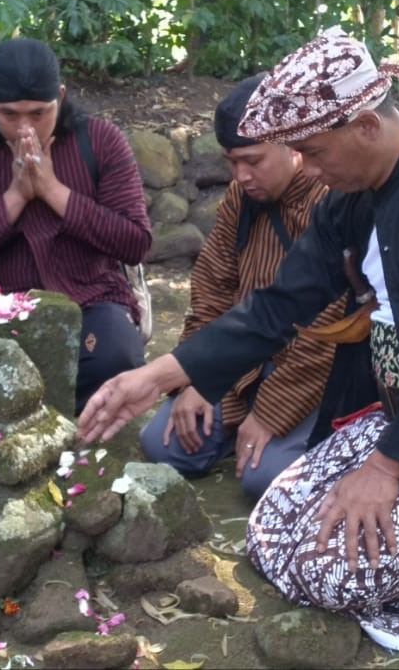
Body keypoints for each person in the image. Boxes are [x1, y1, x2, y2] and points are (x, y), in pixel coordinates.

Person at [77, 27, 399, 654]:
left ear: (366, 124)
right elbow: (276, 308)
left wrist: (385, 468)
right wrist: (158, 376)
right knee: (268, 532)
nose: (308, 170)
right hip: (397, 413)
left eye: (313, 152)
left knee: (328, 574)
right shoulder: (353, 198)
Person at [138, 73, 344, 499]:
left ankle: (286, 435)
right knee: (163, 444)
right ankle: (240, 423)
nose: (242, 175)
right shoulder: (239, 198)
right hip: (243, 359)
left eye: (253, 160)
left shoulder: (330, 200)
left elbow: (328, 330)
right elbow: (212, 289)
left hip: (312, 372)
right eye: (233, 162)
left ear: (292, 145)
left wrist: (271, 412)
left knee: (264, 480)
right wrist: (195, 377)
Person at [0, 37, 152, 413]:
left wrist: (52, 190)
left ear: (60, 97)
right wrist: (15, 197)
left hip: (92, 299)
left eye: (38, 113)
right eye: (9, 114)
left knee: (114, 361)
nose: (23, 129)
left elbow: (136, 242)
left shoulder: (100, 142)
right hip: (2, 306)